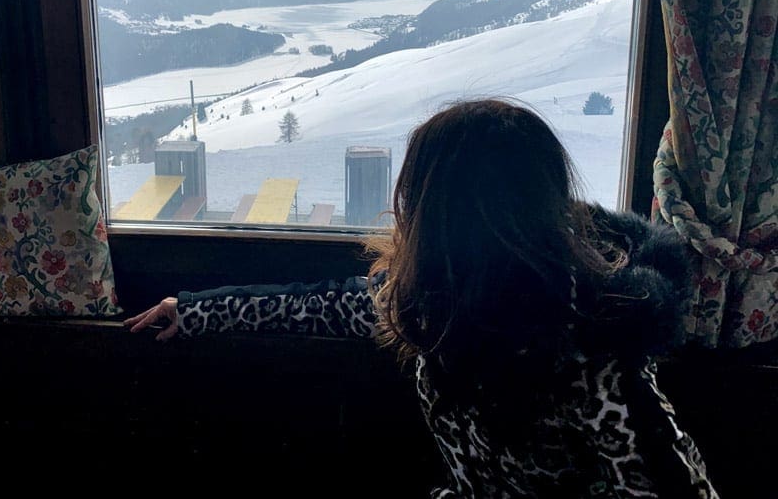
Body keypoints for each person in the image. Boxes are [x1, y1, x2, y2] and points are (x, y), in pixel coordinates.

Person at [125, 98, 719, 498]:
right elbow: (327, 305)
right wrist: (197, 309)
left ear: (442, 210)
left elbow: (662, 482)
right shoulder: (437, 297)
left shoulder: (594, 342)